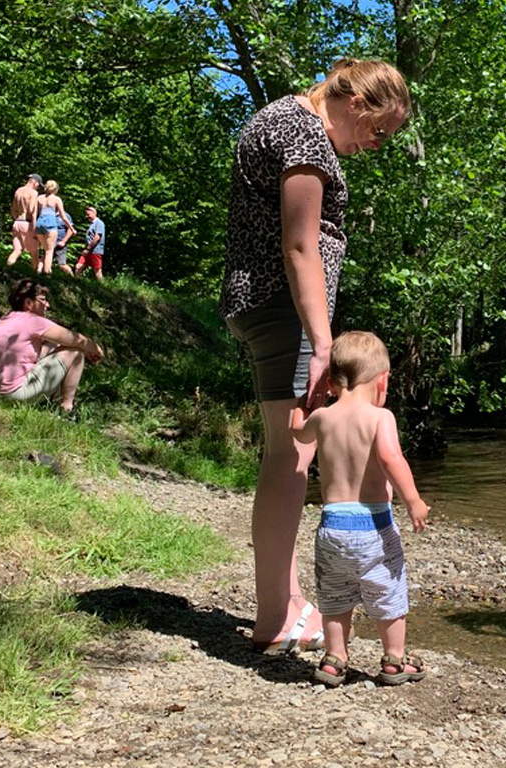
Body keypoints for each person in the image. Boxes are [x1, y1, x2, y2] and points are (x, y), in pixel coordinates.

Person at [219, 58, 411, 653]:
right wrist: (323, 340)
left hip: (269, 306)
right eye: (378, 130)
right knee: (291, 456)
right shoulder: (304, 134)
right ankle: (276, 616)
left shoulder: (279, 120)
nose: (374, 146)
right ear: (354, 99)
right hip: (285, 307)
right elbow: (301, 246)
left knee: (289, 452)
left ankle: (287, 601)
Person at [290, 331, 429, 686]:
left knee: (335, 595)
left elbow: (298, 432)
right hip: (373, 525)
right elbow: (390, 458)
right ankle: (395, 659)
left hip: (332, 526)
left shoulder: (323, 417)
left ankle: (335, 659)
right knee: (387, 590)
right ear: (383, 381)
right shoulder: (381, 418)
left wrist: (304, 403)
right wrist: (413, 500)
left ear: (332, 381)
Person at [0, 278, 104, 414]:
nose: (47, 305)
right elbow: (77, 339)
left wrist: (82, 348)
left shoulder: (4, 320)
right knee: (75, 354)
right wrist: (96, 349)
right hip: (14, 394)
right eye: (43, 300)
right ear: (28, 303)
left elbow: (59, 342)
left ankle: (52, 402)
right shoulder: (33, 321)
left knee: (55, 345)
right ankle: (67, 409)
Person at [34, 181, 74, 275]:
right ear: (55, 189)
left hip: (39, 223)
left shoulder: (39, 198)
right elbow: (63, 216)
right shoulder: (56, 199)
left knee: (44, 248)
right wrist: (71, 228)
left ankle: (38, 272)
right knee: (49, 251)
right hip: (50, 223)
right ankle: (47, 273)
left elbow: (34, 213)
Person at [7, 174, 42, 267]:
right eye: (38, 184)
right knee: (35, 253)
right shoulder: (34, 193)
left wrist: (16, 219)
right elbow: (31, 211)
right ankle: (35, 275)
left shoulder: (18, 191)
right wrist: (35, 229)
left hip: (17, 222)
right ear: (34, 182)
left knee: (17, 250)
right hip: (27, 223)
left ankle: (7, 267)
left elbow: (13, 209)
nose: (38, 187)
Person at [75, 205, 105, 280]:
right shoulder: (92, 224)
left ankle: (103, 287)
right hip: (87, 251)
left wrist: (88, 248)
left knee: (97, 270)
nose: (87, 216)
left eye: (88, 214)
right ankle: (76, 284)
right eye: (86, 214)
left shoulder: (99, 223)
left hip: (95, 251)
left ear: (94, 213)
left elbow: (97, 237)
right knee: (78, 267)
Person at [54, 210, 75, 276]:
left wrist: (63, 241)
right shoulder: (50, 215)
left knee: (62, 264)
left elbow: (71, 230)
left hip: (60, 244)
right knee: (43, 261)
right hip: (50, 244)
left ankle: (72, 278)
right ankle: (40, 276)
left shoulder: (65, 216)